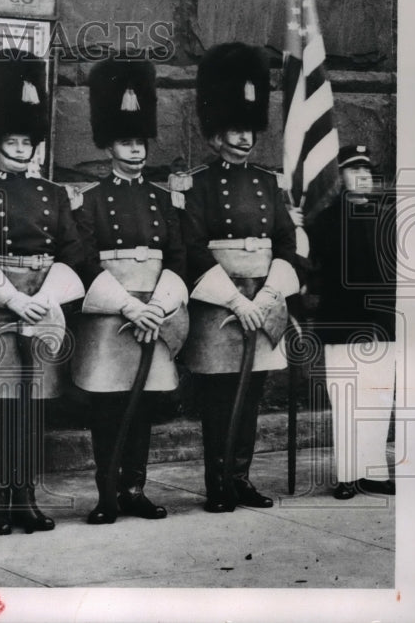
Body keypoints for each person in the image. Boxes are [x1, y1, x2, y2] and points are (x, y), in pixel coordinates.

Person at [0, 49, 85, 535]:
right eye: (11, 140)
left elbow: (73, 250)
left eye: (27, 140)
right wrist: (12, 299)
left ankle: (26, 497)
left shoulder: (53, 194)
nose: (20, 147)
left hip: (44, 301)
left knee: (33, 407)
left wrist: (48, 296)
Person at [178, 42, 300, 513]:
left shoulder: (270, 184)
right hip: (221, 307)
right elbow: (190, 247)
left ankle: (242, 478)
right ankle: (218, 485)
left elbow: (287, 245)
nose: (245, 138)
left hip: (263, 302)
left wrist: (269, 294)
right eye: (234, 129)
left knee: (252, 395)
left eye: (250, 129)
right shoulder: (200, 185)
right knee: (218, 397)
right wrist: (236, 301)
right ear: (215, 135)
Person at [72, 58, 188, 525]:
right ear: (108, 146)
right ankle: (106, 495)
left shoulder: (165, 200)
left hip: (154, 314)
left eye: (140, 142)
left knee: (144, 405)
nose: (135, 151)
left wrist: (157, 307)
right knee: (109, 406)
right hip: (111, 316)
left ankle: (135, 488)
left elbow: (179, 257)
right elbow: (81, 260)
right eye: (125, 141)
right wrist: (127, 306)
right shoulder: (91, 200)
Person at [307, 145, 397, 499]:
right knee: (347, 400)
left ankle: (373, 471)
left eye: (367, 171)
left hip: (382, 323)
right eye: (353, 170)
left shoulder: (387, 217)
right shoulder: (325, 222)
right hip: (342, 324)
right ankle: (347, 474)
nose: (362, 176)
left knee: (378, 399)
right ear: (341, 177)